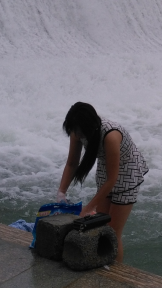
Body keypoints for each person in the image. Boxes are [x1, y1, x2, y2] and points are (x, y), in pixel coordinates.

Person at [57, 102, 149, 264]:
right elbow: (72, 163)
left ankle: (116, 275)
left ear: (89, 127)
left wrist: (88, 208)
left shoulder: (111, 135)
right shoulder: (77, 131)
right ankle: (102, 267)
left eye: (79, 132)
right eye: (73, 131)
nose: (76, 135)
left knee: (112, 233)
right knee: (100, 228)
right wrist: (61, 192)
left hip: (127, 172)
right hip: (106, 168)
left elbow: (112, 179)